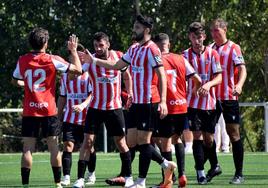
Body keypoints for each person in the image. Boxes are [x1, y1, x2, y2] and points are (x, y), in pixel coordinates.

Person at [82, 14, 177, 188]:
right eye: (135, 27)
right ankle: (166, 164)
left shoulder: (153, 49)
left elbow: (161, 75)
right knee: (131, 142)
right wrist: (94, 60)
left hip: (149, 101)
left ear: (147, 30)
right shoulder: (134, 49)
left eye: (138, 27)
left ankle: (141, 181)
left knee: (144, 142)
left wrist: (163, 101)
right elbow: (116, 66)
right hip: (136, 103)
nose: (134, 30)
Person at [11, 28, 82, 188]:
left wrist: (26, 84)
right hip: (49, 111)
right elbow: (78, 70)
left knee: (27, 149)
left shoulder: (22, 60)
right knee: (54, 148)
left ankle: (25, 185)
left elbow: (15, 81)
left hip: (30, 111)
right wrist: (74, 51)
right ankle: (57, 183)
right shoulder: (52, 59)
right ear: (45, 43)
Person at [72, 32, 134, 188]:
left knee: (121, 143)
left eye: (101, 45)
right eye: (95, 46)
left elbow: (126, 75)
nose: (98, 48)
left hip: (114, 108)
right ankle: (80, 179)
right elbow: (78, 73)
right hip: (95, 107)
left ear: (108, 44)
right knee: (87, 142)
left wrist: (130, 93)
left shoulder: (118, 56)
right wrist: (74, 53)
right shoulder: (90, 60)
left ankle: (128, 177)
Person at [153, 33, 202, 188]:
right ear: (169, 44)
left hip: (166, 106)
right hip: (181, 105)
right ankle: (182, 174)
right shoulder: (181, 58)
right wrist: (194, 90)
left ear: (156, 46)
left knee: (165, 143)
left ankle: (168, 180)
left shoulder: (156, 60)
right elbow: (198, 80)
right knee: (178, 139)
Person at [183, 22, 222, 185]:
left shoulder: (213, 54)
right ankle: (200, 173)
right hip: (192, 104)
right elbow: (181, 77)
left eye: (199, 37)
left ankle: (215, 165)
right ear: (189, 38)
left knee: (209, 140)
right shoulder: (184, 55)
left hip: (210, 104)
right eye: (193, 37)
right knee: (197, 137)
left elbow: (219, 77)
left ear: (204, 37)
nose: (197, 41)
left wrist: (207, 84)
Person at [210, 18, 247, 184]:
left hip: (229, 96)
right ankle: (214, 166)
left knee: (233, 133)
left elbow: (242, 69)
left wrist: (239, 85)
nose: (214, 34)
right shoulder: (210, 48)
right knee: (207, 134)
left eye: (217, 31)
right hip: (211, 98)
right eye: (212, 31)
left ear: (225, 30)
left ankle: (239, 174)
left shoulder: (233, 47)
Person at [57, 44, 97, 186]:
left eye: (80, 56)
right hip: (69, 117)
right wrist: (58, 116)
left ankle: (91, 173)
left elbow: (93, 95)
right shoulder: (65, 76)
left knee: (88, 147)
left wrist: (82, 105)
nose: (78, 58)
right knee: (68, 145)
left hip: (87, 117)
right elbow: (62, 96)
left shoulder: (89, 74)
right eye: (74, 55)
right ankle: (66, 176)